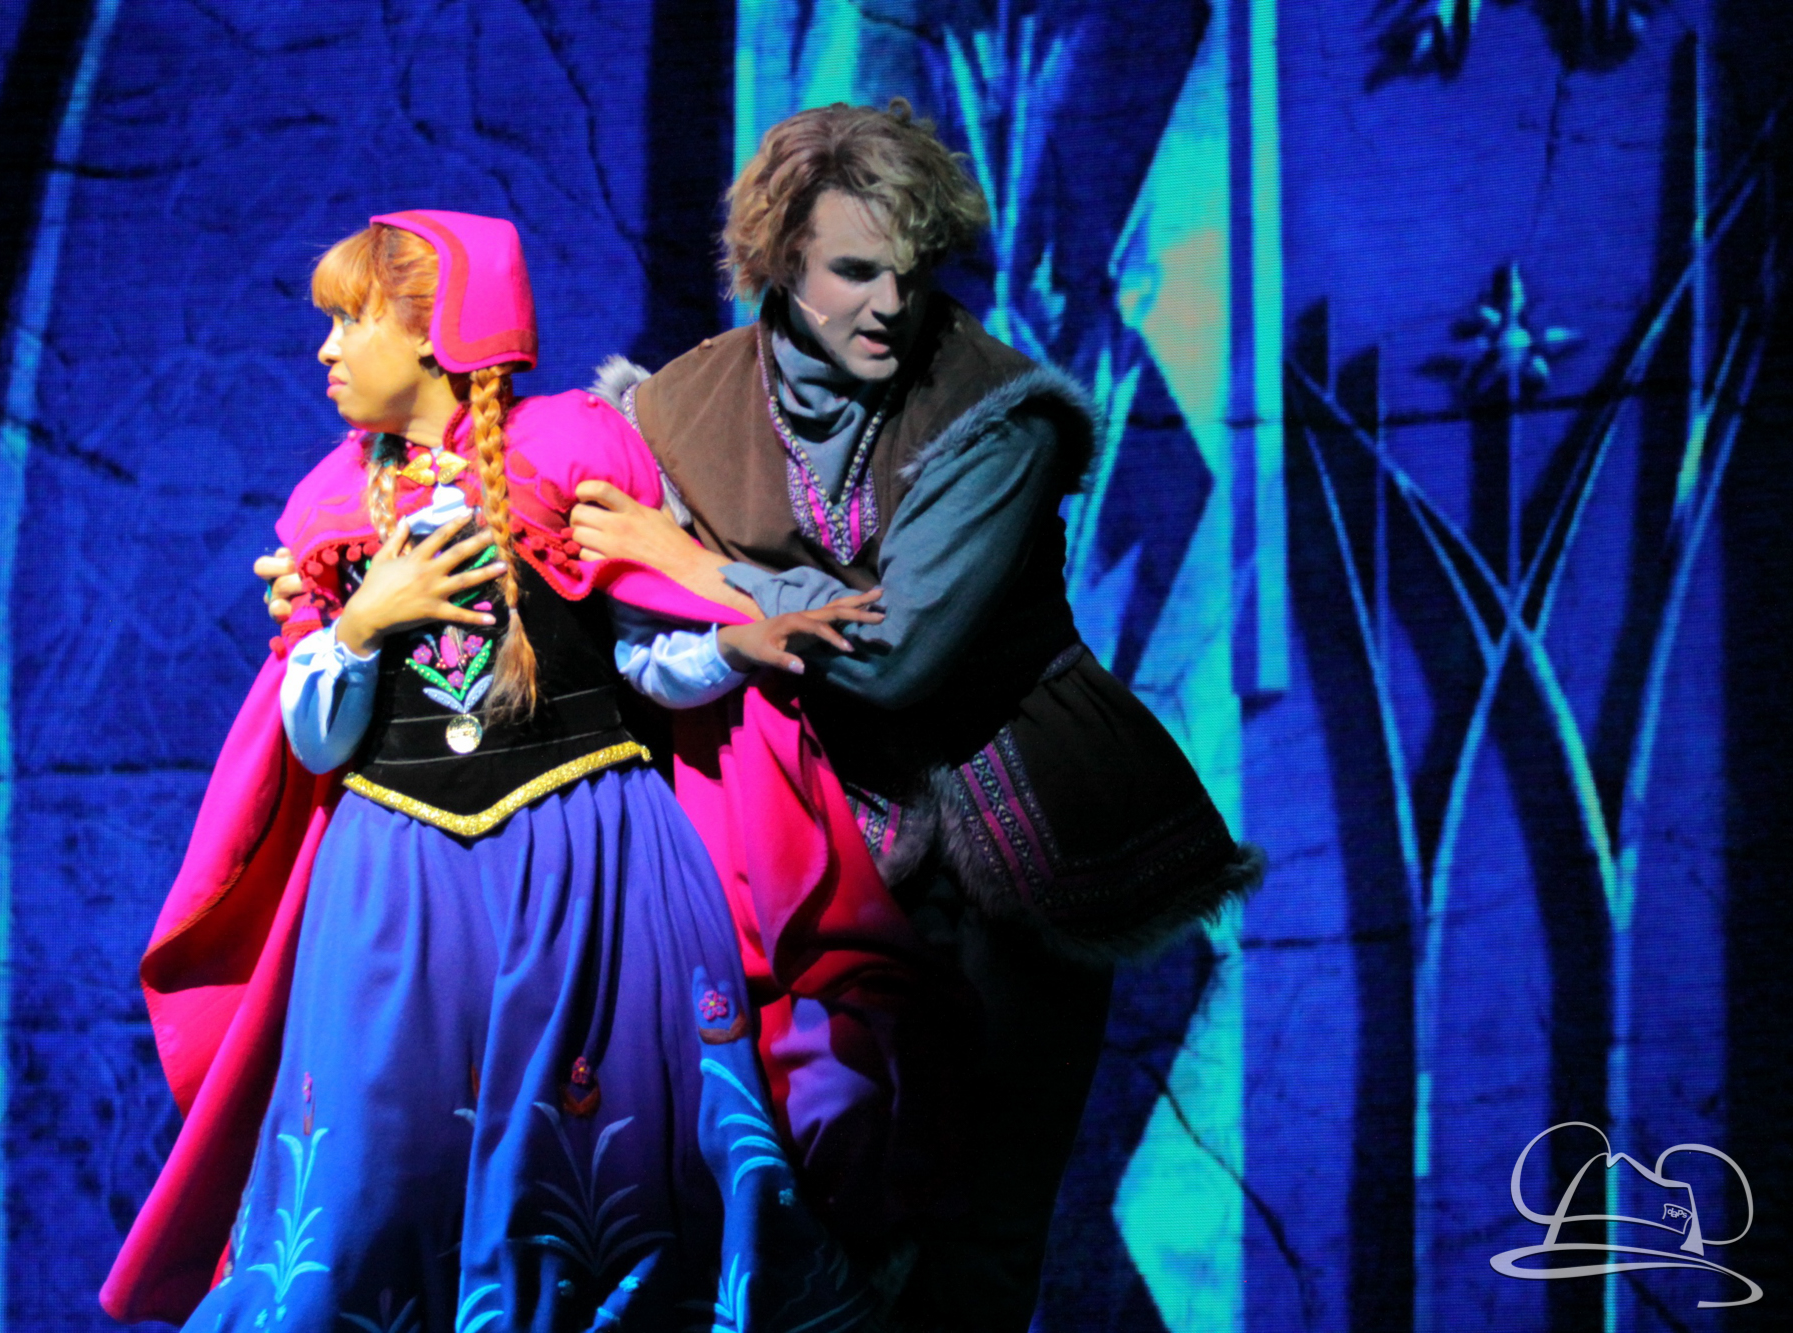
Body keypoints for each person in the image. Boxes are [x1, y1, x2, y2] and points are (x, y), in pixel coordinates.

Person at [102, 211, 877, 1333]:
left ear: (431, 332)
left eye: (350, 321)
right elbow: (316, 741)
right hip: (395, 877)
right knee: (377, 1156)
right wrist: (362, 623)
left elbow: (641, 655)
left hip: (588, 859)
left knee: (587, 1161)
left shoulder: (569, 448)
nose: (325, 349)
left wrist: (730, 644)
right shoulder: (328, 507)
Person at [564, 103, 1265, 1332]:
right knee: (791, 1214)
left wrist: (687, 560)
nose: (889, 302)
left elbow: (893, 659)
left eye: (911, 269)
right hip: (792, 837)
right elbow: (603, 604)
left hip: (1016, 824)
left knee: (976, 1230)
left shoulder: (998, 416)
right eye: (853, 270)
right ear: (781, 258)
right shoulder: (677, 407)